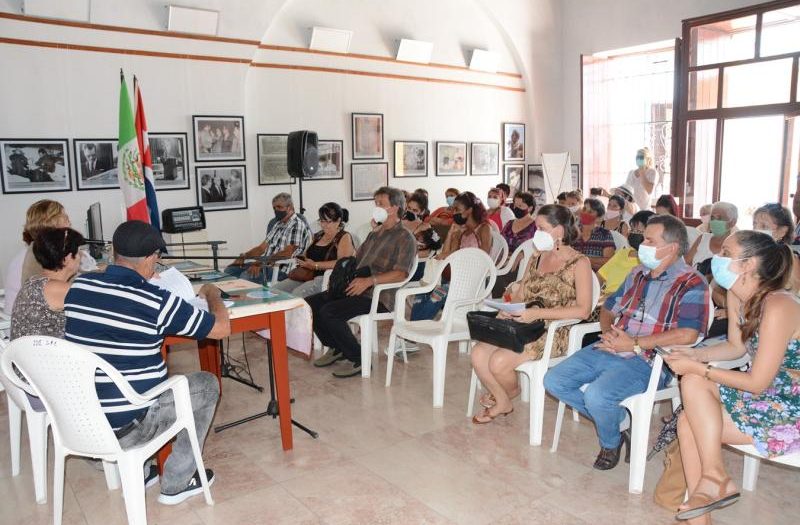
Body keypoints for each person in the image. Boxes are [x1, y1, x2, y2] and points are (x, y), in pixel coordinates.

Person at [63, 220, 230, 505]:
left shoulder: (79, 286)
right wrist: (212, 293)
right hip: (130, 428)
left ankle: (140, 471)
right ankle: (178, 481)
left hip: (84, 420)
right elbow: (220, 329)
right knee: (206, 384)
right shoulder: (154, 300)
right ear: (152, 258)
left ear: (115, 252)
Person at [544, 215, 710, 470]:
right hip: (612, 345)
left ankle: (610, 441)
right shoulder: (638, 273)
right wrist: (610, 332)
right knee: (554, 380)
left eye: (649, 240)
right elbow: (608, 308)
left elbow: (688, 334)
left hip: (649, 359)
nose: (641, 243)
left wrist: (634, 343)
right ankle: (619, 423)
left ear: (672, 248)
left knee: (598, 397)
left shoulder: (692, 282)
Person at [664, 231, 799, 523]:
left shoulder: (779, 304)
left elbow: (757, 382)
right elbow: (736, 347)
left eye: (726, 252)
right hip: (768, 393)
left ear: (748, 264)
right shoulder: (738, 295)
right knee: (693, 385)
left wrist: (700, 368)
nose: (717, 258)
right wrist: (694, 356)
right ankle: (714, 479)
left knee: (689, 421)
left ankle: (712, 488)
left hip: (791, 403)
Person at [471, 204, 593, 423]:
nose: (537, 233)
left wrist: (537, 314)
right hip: (524, 323)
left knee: (498, 362)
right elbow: (521, 296)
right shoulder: (536, 257)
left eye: (542, 228)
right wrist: (510, 309)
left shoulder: (579, 263)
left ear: (560, 231)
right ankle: (503, 401)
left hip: (554, 330)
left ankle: (507, 395)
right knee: (478, 354)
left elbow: (583, 310)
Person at [308, 187, 416, 378]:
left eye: (380, 204)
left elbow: (401, 273)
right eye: (375, 203)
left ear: (395, 207)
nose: (376, 207)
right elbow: (357, 259)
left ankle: (359, 358)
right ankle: (337, 347)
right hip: (356, 287)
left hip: (378, 295)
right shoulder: (375, 234)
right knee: (311, 304)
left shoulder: (405, 237)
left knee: (330, 312)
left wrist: (370, 281)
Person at [10, 227, 84, 410]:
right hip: (43, 388)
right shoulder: (60, 291)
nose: (81, 256)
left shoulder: (35, 282)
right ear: (67, 259)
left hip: (24, 378)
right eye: (78, 252)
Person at [410, 192, 493, 321]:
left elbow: (483, 256)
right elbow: (450, 252)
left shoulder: (484, 228)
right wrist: (451, 234)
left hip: (474, 279)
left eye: (457, 210)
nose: (454, 213)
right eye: (453, 209)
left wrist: (456, 258)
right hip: (455, 276)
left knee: (439, 292)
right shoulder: (462, 230)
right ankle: (415, 325)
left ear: (469, 210)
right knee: (425, 290)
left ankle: (414, 325)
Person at [272, 202, 355, 298]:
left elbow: (343, 264)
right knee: (275, 291)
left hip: (326, 278)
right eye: (322, 221)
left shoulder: (344, 237)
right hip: (307, 275)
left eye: (328, 222)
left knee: (297, 295)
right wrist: (301, 258)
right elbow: (307, 254)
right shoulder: (319, 235)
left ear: (338, 221)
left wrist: (315, 265)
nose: (324, 225)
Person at [225, 193, 311, 284]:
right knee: (230, 271)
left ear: (289, 207)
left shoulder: (297, 225)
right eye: (274, 208)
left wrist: (261, 262)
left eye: (279, 207)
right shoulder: (278, 224)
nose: (276, 210)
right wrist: (243, 256)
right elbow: (261, 248)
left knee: (246, 276)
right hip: (266, 264)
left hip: (281, 269)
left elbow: (287, 253)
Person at [4, 200, 71, 316]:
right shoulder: (36, 258)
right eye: (64, 216)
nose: (69, 221)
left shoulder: (36, 250)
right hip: (25, 325)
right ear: (53, 223)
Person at [597, 210, 655, 295]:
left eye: (638, 231)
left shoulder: (649, 262)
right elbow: (600, 276)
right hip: (604, 298)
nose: (633, 234)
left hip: (621, 303)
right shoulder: (623, 253)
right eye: (632, 230)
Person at [752, 203, 800, 292]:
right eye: (754, 224)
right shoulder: (751, 254)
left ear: (782, 231)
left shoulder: (791, 260)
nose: (756, 229)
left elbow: (794, 294)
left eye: (764, 226)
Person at [686, 201, 738, 273]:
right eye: (712, 218)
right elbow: (686, 263)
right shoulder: (703, 238)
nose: (714, 221)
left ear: (732, 222)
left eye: (719, 218)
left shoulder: (737, 246)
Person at [402, 193, 442, 281]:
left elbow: (428, 252)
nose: (410, 212)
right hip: (398, 265)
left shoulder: (425, 227)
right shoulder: (400, 223)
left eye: (415, 210)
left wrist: (417, 231)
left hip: (416, 267)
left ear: (422, 211)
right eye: (409, 208)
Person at [572, 198, 615, 271]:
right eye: (584, 209)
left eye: (590, 212)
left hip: (595, 277)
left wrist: (583, 259)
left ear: (598, 217)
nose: (585, 213)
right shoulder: (572, 232)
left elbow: (609, 261)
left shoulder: (605, 234)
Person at [625, 147, 658, 211]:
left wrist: (642, 172)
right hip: (630, 209)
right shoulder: (631, 173)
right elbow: (626, 191)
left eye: (641, 157)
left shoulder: (652, 172)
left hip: (643, 210)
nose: (639, 159)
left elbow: (649, 190)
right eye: (637, 157)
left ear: (648, 159)